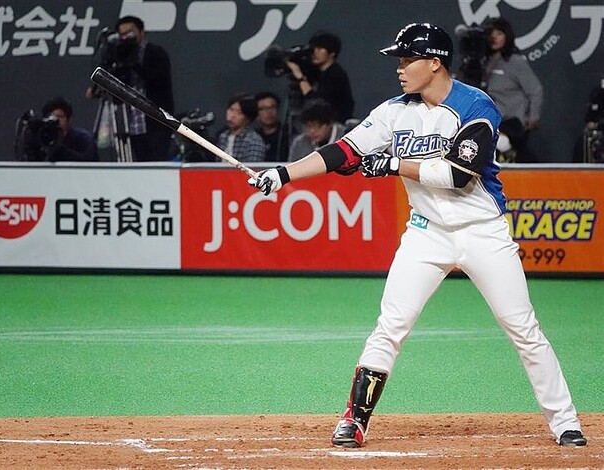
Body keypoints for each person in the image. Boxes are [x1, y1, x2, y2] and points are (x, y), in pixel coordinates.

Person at [248, 23, 586, 448]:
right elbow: (343, 151)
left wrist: (393, 165)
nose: (400, 68)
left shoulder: (475, 105)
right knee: (391, 325)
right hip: (426, 234)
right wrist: (284, 175)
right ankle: (354, 420)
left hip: (483, 232)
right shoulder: (394, 111)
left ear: (435, 63)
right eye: (400, 60)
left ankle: (565, 421)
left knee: (522, 327)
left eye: (408, 60)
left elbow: (459, 175)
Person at [88, 15, 174, 161]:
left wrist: (133, 63)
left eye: (130, 32)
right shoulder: (119, 54)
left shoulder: (155, 53)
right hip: (132, 123)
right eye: (122, 34)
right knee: (137, 164)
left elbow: (157, 80)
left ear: (142, 32)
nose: (126, 37)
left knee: (156, 162)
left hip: (156, 123)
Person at [484, 17, 543, 163]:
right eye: (491, 33)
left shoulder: (515, 61)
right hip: (491, 119)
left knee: (499, 141)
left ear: (507, 36)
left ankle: (512, 154)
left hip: (512, 122)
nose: (494, 37)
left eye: (499, 33)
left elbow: (535, 90)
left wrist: (533, 118)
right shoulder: (485, 62)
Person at [286, 30, 355, 123]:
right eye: (314, 48)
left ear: (332, 53)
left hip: (336, 125)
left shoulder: (335, 74)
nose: (315, 52)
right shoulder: (319, 73)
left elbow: (317, 103)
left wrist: (300, 77)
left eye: (320, 48)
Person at [41, 96, 98, 162]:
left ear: (69, 119)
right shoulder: (42, 139)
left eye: (59, 116)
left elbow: (90, 163)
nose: (55, 121)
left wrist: (61, 151)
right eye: (51, 118)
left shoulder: (84, 138)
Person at [216, 93, 267, 162]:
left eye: (239, 113)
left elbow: (252, 167)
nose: (232, 115)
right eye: (231, 110)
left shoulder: (254, 140)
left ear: (248, 118)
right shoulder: (223, 136)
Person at [254, 91, 289, 162]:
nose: (269, 112)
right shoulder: (254, 137)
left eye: (272, 107)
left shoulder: (288, 133)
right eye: (263, 108)